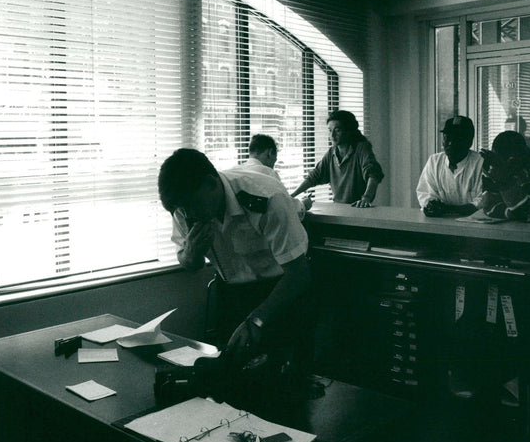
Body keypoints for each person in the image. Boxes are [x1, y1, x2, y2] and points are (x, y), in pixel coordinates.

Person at [158, 148, 318, 400]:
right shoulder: (185, 205)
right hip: (232, 295)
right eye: (181, 211)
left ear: (211, 184)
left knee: (287, 393)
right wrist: (191, 254)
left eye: (191, 207)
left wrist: (256, 321)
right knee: (232, 389)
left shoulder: (265, 197)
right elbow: (189, 262)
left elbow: (299, 275)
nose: (188, 216)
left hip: (281, 294)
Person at [291, 110, 383, 207]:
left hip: (359, 208)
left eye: (337, 130)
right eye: (330, 130)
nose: (332, 135)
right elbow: (314, 177)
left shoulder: (361, 148)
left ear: (348, 130)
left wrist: (366, 198)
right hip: (339, 208)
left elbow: (373, 174)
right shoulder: (331, 153)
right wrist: (292, 196)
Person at [416, 116, 483, 217]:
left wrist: (447, 209)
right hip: (440, 223)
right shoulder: (434, 161)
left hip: (473, 227)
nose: (450, 144)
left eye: (457, 139)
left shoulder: (481, 163)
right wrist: (431, 206)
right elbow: (425, 194)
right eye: (447, 139)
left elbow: (482, 203)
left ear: (469, 141)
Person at [480, 130, 530, 223]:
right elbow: (489, 207)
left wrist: (504, 180)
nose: (497, 164)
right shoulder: (500, 166)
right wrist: (513, 213)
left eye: (501, 161)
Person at [240, 134, 313, 212]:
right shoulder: (268, 175)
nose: (273, 166)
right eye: (274, 161)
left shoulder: (234, 172)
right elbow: (286, 210)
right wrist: (303, 205)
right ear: (270, 153)